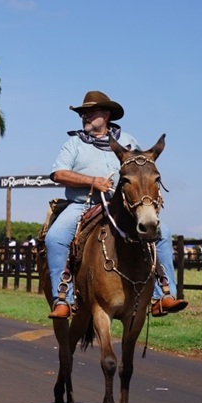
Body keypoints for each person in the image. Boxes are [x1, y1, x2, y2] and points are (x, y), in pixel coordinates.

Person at [45, 90, 188, 319]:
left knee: (163, 233)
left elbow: (144, 168)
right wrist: (92, 181)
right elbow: (58, 173)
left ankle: (164, 295)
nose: (86, 117)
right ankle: (63, 298)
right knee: (55, 238)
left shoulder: (129, 141)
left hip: (121, 205)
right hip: (83, 204)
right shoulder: (74, 144)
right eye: (83, 114)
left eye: (91, 113)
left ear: (106, 114)